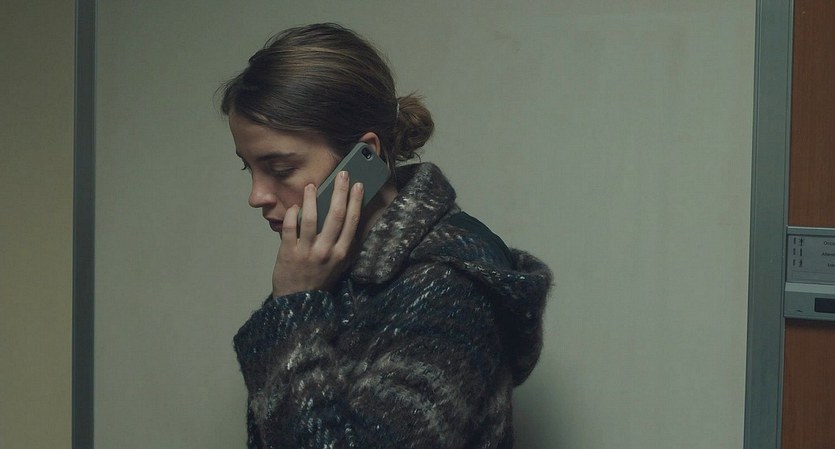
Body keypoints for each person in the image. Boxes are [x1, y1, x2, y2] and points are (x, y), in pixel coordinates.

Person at [221, 23, 552, 449]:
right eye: (248, 167)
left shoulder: (449, 288)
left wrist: (292, 307)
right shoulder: (322, 271)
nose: (257, 196)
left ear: (365, 156)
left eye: (280, 168)